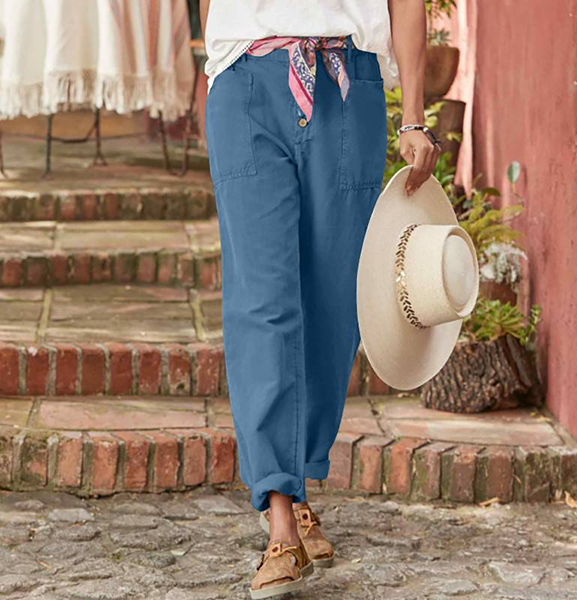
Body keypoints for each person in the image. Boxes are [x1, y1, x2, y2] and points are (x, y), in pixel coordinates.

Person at [200, 1, 439, 597]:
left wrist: (414, 116)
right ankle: (280, 512)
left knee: (334, 304)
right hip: (247, 82)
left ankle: (300, 480)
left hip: (348, 84)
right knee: (263, 302)